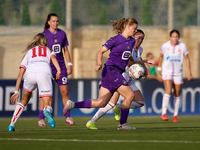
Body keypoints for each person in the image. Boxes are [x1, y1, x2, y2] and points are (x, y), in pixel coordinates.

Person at [63, 17, 148, 130]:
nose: (136, 31)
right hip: (111, 70)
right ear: (128, 27)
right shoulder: (115, 39)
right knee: (130, 95)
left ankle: (72, 105)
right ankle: (122, 124)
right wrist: (99, 63)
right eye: (135, 28)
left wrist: (139, 63)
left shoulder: (131, 41)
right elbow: (101, 51)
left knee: (101, 103)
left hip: (115, 73)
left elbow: (129, 56)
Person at [86, 29, 153, 130]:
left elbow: (138, 58)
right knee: (110, 104)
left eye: (142, 38)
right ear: (133, 37)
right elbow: (130, 63)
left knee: (140, 102)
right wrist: (144, 62)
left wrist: (144, 69)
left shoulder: (140, 49)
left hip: (131, 81)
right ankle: (92, 122)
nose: (140, 40)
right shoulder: (127, 47)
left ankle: (118, 107)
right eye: (138, 38)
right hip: (121, 78)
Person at [7, 33, 61, 131]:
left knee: (24, 100)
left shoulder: (29, 52)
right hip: (44, 73)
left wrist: (16, 91)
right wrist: (59, 70)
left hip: (30, 74)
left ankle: (12, 125)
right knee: (47, 103)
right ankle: (46, 111)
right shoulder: (48, 50)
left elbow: (20, 74)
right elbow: (53, 59)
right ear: (45, 41)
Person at [38, 13, 75, 126]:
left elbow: (66, 50)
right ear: (48, 22)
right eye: (53, 21)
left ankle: (67, 117)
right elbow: (40, 52)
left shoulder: (62, 34)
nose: (55, 23)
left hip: (61, 67)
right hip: (47, 67)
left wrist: (69, 64)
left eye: (57, 21)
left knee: (65, 92)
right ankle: (41, 118)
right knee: (45, 95)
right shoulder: (43, 35)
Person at [158, 29, 192, 123]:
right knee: (168, 91)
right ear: (170, 37)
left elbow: (187, 58)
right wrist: (159, 69)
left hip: (178, 72)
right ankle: (163, 113)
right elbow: (160, 57)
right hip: (167, 71)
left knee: (177, 94)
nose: (175, 38)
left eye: (176, 36)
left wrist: (189, 72)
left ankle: (175, 115)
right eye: (173, 36)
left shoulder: (182, 46)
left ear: (179, 37)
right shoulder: (165, 46)